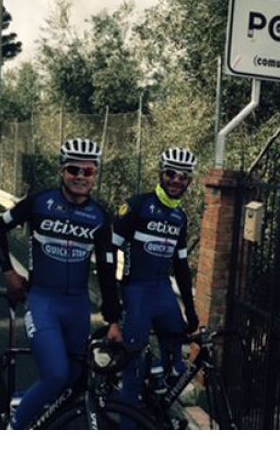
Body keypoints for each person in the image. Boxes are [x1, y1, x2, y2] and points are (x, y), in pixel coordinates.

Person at [0, 138, 122, 430]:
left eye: (88, 171)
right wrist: (9, 272)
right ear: (62, 171)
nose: (80, 177)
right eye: (74, 170)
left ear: (95, 175)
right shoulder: (40, 203)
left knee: (74, 381)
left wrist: (113, 320)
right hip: (43, 301)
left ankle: (29, 408)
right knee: (56, 375)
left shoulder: (100, 217)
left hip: (77, 307)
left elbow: (107, 270)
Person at [112, 147, 200, 418]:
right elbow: (109, 251)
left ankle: (158, 403)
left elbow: (181, 266)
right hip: (136, 290)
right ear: (161, 174)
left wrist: (191, 310)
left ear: (189, 181)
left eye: (183, 177)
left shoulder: (180, 217)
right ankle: (127, 424)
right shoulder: (137, 205)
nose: (176, 180)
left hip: (162, 291)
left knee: (177, 360)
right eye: (171, 174)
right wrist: (113, 296)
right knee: (134, 365)